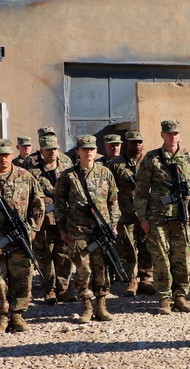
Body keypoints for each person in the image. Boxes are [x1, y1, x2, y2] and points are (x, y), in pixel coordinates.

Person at [134, 119, 190, 315]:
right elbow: (141, 189)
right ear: (162, 135)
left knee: (182, 257)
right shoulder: (152, 158)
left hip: (182, 218)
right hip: (158, 217)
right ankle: (164, 297)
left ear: (179, 135)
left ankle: (180, 296)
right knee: (161, 258)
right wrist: (143, 217)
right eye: (169, 133)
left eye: (175, 133)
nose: (172, 137)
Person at [54, 135, 119, 324]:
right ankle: (86, 306)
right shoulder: (68, 176)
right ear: (78, 152)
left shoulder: (105, 173)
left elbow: (114, 202)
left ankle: (101, 306)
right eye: (85, 149)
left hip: (101, 230)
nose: (88, 151)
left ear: (96, 151)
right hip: (78, 230)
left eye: (92, 148)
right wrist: (63, 229)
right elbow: (59, 203)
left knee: (101, 268)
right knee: (84, 269)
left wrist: (113, 224)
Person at [0, 138, 45, 333]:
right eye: (0, 155)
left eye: (6, 154)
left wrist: (33, 229)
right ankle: (2, 316)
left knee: (22, 277)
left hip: (19, 238)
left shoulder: (24, 176)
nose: (3, 158)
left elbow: (38, 205)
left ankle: (17, 316)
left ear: (12, 155)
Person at [27, 135, 74, 304]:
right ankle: (49, 290)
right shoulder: (32, 170)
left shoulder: (67, 165)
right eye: (48, 150)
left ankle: (63, 288)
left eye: (55, 149)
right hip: (43, 220)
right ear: (41, 151)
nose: (52, 152)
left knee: (63, 254)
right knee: (44, 256)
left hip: (64, 218)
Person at [107, 131, 153, 296]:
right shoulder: (116, 164)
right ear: (127, 143)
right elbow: (109, 190)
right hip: (125, 215)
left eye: (140, 142)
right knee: (128, 249)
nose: (137, 145)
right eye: (134, 142)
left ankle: (146, 279)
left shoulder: (149, 162)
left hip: (146, 214)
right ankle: (131, 280)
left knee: (147, 246)